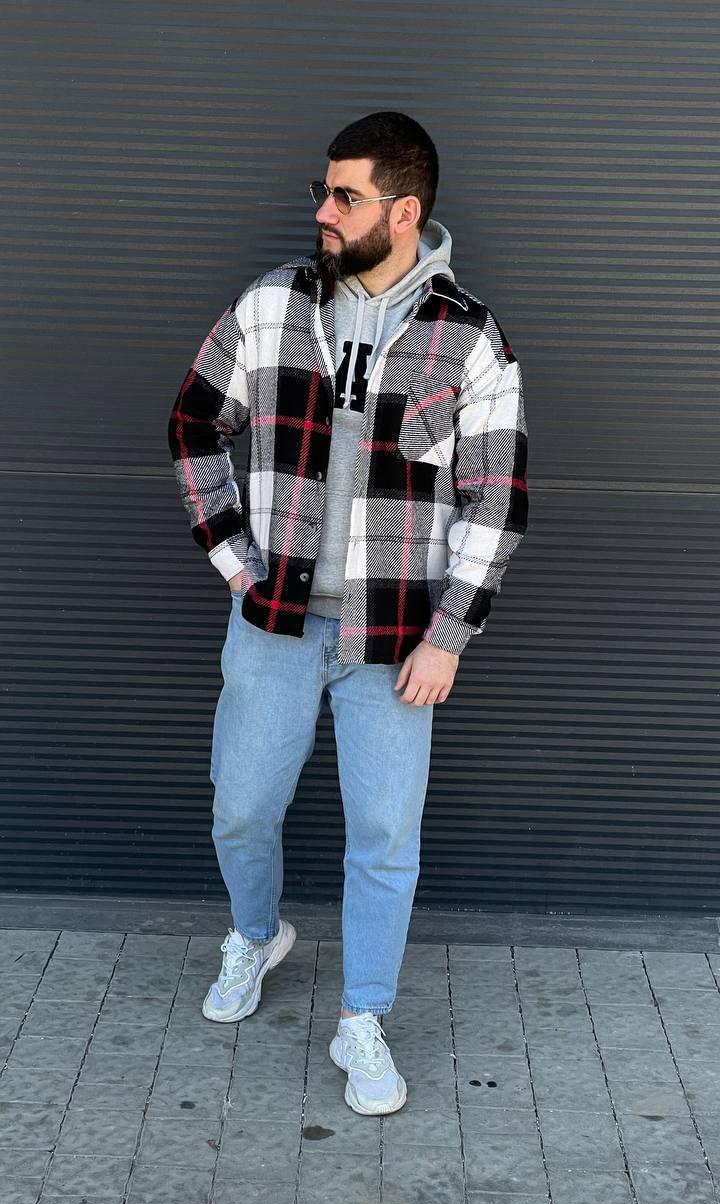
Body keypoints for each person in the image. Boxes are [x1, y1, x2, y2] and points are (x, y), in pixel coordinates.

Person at [167, 111, 528, 1116]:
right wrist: (234, 560)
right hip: (273, 621)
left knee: (383, 835)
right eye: (322, 191)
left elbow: (497, 498)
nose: (322, 210)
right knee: (241, 806)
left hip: (394, 642)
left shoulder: (470, 338)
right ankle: (256, 934)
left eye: (345, 196)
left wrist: (449, 637)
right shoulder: (272, 303)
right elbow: (194, 422)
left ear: (403, 212)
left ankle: (363, 1015)